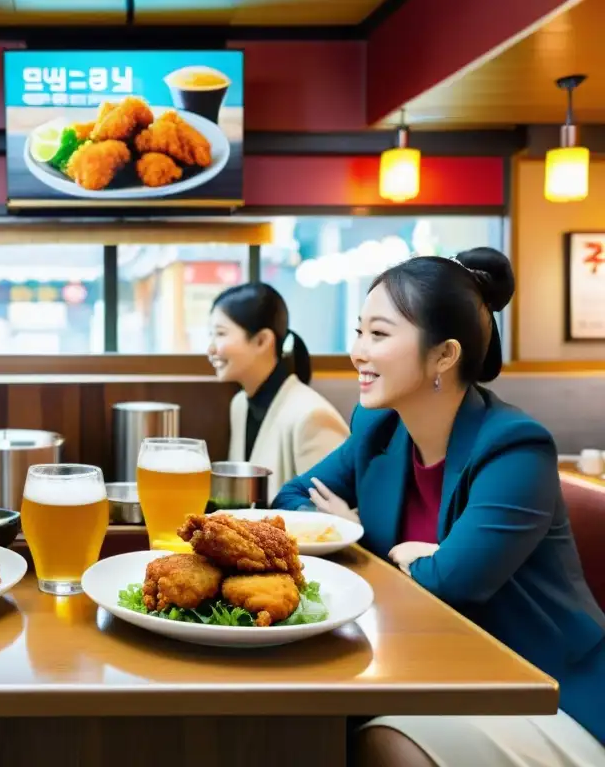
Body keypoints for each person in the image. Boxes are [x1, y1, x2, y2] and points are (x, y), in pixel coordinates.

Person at [272, 248, 605, 765]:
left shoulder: (514, 448)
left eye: (379, 334)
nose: (358, 351)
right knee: (291, 720)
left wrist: (354, 536)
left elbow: (452, 587)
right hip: (434, 673)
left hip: (546, 692)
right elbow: (290, 501)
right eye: (359, 331)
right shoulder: (377, 428)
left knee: (382, 740)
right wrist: (388, 549)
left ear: (444, 356)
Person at [208, 282, 349, 505]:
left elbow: (331, 518)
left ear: (262, 340)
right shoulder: (240, 404)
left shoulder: (312, 416)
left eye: (220, 334)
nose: (211, 348)